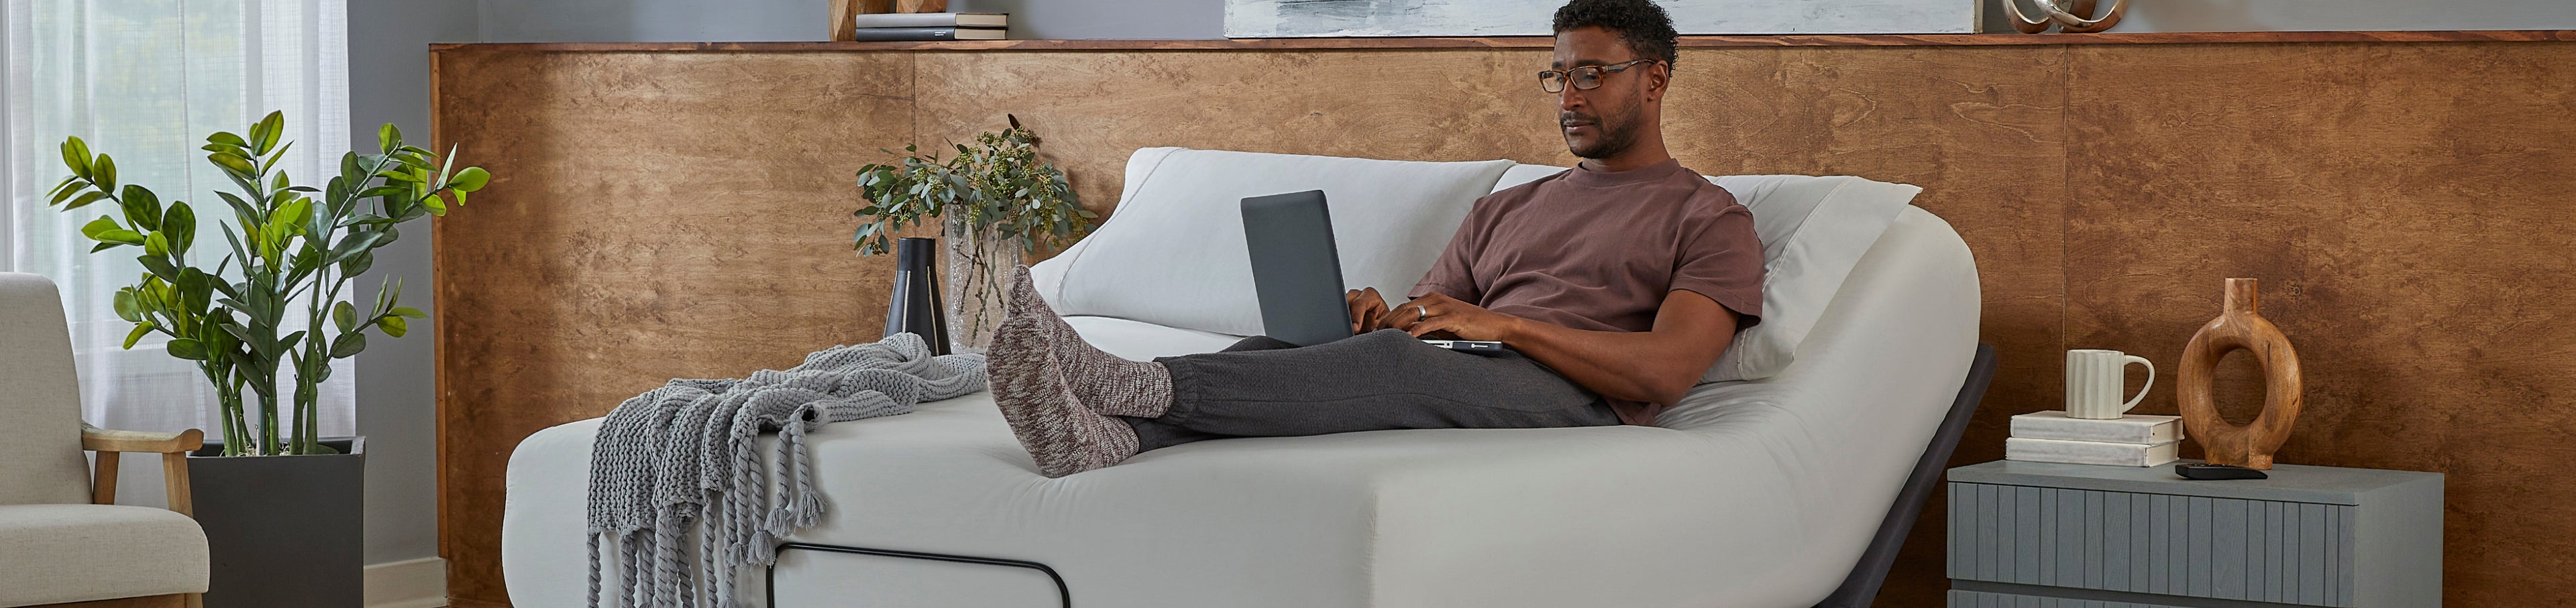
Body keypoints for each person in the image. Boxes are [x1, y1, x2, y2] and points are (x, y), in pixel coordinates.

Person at [985, 0, 1766, 477]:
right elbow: (1432, 318)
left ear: (1655, 79)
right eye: (1557, 75)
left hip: (1579, 399)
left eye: (1592, 74)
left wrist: (1505, 326)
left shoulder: (1708, 216)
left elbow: (1666, 373)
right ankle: (1106, 442)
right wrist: (1376, 314)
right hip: (1473, 370)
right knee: (1288, 350)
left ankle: (1128, 384)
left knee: (1391, 364)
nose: (1567, 95)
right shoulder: (1512, 205)